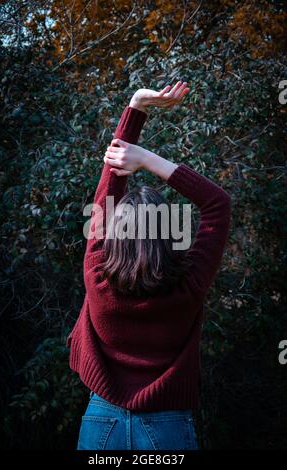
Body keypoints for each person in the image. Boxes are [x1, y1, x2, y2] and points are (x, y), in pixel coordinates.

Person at [67, 81, 231, 450]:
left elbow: (108, 186)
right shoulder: (189, 282)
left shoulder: (97, 272)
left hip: (101, 421)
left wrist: (137, 105)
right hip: (167, 424)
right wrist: (148, 160)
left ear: (113, 232)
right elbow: (218, 204)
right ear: (170, 235)